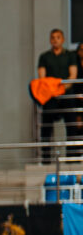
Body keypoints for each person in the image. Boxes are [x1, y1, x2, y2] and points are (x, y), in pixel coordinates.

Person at [38, 29, 78, 162]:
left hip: (66, 95)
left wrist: (60, 89)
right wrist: (53, 90)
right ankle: (45, 159)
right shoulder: (44, 57)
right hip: (50, 97)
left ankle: (72, 158)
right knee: (46, 128)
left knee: (71, 126)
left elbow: (72, 76)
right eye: (53, 38)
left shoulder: (70, 55)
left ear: (63, 39)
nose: (55, 40)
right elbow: (42, 78)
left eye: (58, 37)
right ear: (50, 40)